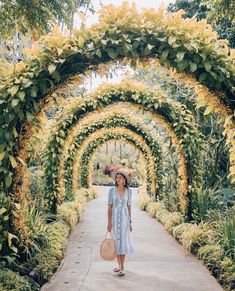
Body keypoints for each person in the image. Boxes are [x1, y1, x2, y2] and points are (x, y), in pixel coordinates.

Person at [107, 170, 135, 276]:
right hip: (114, 220)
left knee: (122, 243)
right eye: (117, 177)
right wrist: (109, 223)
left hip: (124, 220)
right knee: (116, 243)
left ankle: (122, 266)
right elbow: (109, 208)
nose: (118, 179)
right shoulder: (111, 191)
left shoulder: (129, 191)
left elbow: (129, 207)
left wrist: (130, 221)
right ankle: (118, 265)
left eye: (120, 177)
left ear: (124, 180)